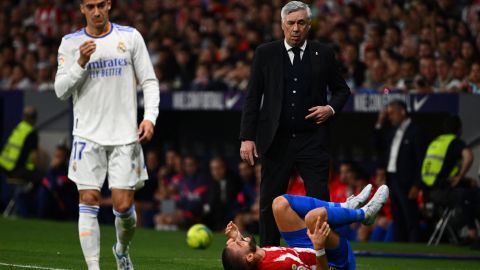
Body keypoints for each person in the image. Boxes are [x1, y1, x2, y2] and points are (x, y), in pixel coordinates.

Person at [54, 0, 159, 269]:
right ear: (82, 9)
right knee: (88, 199)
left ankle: (121, 250)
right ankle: (93, 267)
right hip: (87, 136)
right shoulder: (70, 43)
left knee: (123, 207)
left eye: (101, 5)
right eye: (90, 6)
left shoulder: (130, 37)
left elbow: (148, 81)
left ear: (109, 5)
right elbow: (61, 90)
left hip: (125, 136)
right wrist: (80, 62)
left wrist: (149, 118)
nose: (97, 11)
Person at [239, 1, 351, 247]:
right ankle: (268, 253)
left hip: (312, 140)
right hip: (276, 140)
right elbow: (253, 96)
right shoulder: (265, 53)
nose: (296, 28)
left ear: (309, 25)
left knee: (320, 202)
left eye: (301, 22)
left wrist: (330, 108)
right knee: (269, 202)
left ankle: (322, 255)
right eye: (291, 23)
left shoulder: (324, 53)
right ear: (282, 25)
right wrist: (247, 137)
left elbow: (342, 90)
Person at [222, 184, 389, 270]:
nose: (235, 240)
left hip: (303, 250)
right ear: (249, 258)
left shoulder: (253, 257)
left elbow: (242, 257)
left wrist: (238, 239)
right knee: (313, 218)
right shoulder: (280, 267)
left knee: (279, 204)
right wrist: (319, 247)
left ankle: (346, 206)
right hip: (334, 261)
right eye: (238, 244)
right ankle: (365, 215)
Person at [421, 115, 478, 244]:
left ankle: (463, 231)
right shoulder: (455, 142)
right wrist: (461, 177)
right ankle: (472, 232)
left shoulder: (435, 142)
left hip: (428, 191)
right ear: (459, 129)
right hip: (442, 192)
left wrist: (463, 180)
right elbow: (468, 156)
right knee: (470, 195)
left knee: (467, 192)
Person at [374, 100, 423, 242]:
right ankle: (401, 245)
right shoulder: (392, 132)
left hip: (407, 181)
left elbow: (421, 160)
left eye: (392, 113)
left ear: (402, 111)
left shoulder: (415, 131)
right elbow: (377, 146)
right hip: (392, 179)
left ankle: (415, 246)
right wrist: (379, 123)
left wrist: (417, 184)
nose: (390, 117)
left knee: (410, 215)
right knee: (397, 215)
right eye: (388, 114)